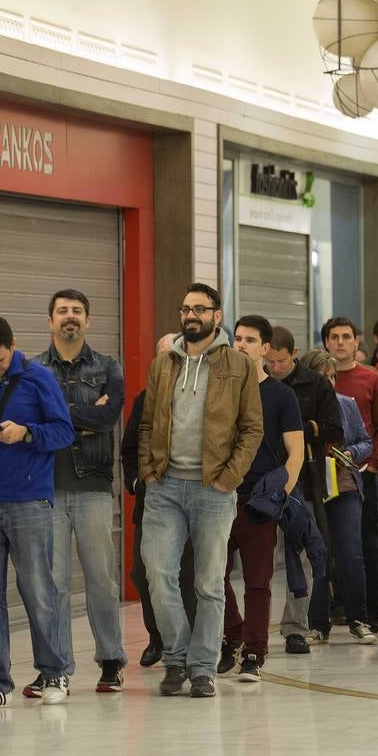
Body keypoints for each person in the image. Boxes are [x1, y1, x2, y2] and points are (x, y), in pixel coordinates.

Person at [139, 283, 262, 698]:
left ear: (217, 315)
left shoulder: (238, 366)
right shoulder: (163, 364)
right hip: (165, 486)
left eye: (199, 309)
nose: (190, 315)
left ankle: (203, 666)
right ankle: (175, 659)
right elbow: (145, 422)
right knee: (158, 575)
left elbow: (252, 428)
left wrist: (229, 478)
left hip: (214, 489)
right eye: (185, 308)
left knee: (210, 583)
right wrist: (149, 470)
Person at [0, 315, 76, 709]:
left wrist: (25, 432)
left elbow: (64, 432)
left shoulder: (38, 378)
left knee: (38, 590)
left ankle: (54, 672)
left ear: (12, 344)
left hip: (29, 500)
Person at [33, 289, 127, 696]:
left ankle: (110, 661)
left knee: (101, 580)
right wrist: (79, 418)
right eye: (62, 311)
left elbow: (109, 417)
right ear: (49, 321)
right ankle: (56, 668)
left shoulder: (108, 366)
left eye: (77, 311)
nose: (69, 317)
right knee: (51, 583)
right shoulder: (33, 369)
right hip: (45, 489)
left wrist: (58, 419)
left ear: (88, 321)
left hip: (92, 486)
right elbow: (29, 422)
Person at [218, 316, 303, 682]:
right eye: (237, 338)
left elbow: (295, 453)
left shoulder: (282, 395)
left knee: (257, 581)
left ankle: (254, 651)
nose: (241, 345)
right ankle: (232, 634)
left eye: (250, 340)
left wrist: (280, 495)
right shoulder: (221, 389)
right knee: (211, 577)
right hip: (219, 497)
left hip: (259, 501)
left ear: (265, 348)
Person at [265, 326, 343, 654]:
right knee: (257, 559)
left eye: (280, 362)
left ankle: (296, 626)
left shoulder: (317, 384)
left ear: (293, 355)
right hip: (258, 479)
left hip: (300, 480)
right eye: (269, 362)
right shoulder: (253, 383)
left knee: (300, 556)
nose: (275, 368)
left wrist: (301, 427)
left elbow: (334, 429)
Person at [124, 335, 197, 667]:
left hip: (196, 499)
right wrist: (139, 481)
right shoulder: (144, 400)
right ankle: (159, 637)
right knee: (144, 572)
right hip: (152, 500)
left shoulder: (202, 397)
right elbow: (128, 448)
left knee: (189, 574)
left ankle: (192, 641)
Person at [299, 350, 375, 644]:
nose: (329, 382)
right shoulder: (300, 407)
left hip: (344, 487)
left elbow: (365, 441)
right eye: (322, 376)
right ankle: (318, 623)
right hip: (312, 488)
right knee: (318, 556)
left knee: (351, 554)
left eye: (332, 377)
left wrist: (351, 454)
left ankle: (359, 618)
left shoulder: (346, 404)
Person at [323, 316, 378, 626]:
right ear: (326, 342)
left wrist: (373, 461)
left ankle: (371, 611)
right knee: (329, 544)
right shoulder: (318, 378)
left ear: (356, 342)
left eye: (346, 336)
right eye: (334, 337)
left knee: (366, 542)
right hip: (324, 473)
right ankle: (335, 605)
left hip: (362, 471)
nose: (340, 342)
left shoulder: (370, 378)